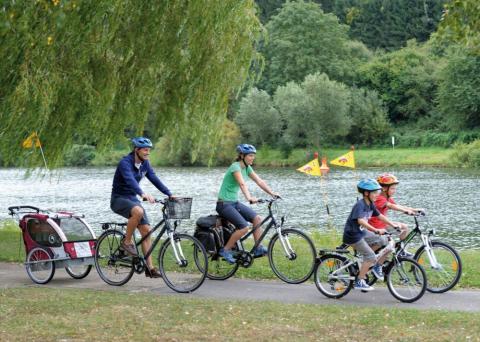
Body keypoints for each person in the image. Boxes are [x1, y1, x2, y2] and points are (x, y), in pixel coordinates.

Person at [110, 137, 174, 278]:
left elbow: (154, 178)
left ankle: (149, 268)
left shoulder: (145, 164)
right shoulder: (125, 163)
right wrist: (143, 193)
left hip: (132, 199)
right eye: (145, 150)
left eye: (149, 150)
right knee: (138, 211)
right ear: (136, 150)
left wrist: (169, 194)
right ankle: (126, 242)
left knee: (146, 231)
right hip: (119, 199)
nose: (148, 153)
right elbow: (130, 181)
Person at [216, 144, 280, 264]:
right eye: (250, 155)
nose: (252, 158)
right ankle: (225, 250)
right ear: (242, 156)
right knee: (244, 227)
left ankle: (257, 248)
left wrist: (272, 193)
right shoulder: (235, 167)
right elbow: (242, 184)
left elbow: (259, 181)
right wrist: (249, 197)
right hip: (224, 204)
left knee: (257, 218)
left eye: (253, 156)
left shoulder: (247, 168)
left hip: (234, 203)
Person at [343, 179, 399, 291]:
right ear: (366, 193)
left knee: (383, 240)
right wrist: (375, 230)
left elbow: (380, 216)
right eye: (374, 193)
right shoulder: (360, 205)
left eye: (377, 192)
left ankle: (365, 260)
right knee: (370, 256)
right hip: (353, 235)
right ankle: (359, 280)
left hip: (362, 232)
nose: (377, 195)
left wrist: (392, 224)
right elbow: (361, 221)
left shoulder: (370, 204)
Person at [369, 173, 422, 255]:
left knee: (405, 228)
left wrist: (414, 210)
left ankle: (401, 251)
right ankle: (369, 254)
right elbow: (391, 206)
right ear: (384, 188)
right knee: (388, 242)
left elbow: (397, 205)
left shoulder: (387, 197)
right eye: (392, 188)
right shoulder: (379, 198)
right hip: (375, 226)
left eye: (395, 188)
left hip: (382, 223)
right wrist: (405, 211)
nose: (394, 191)